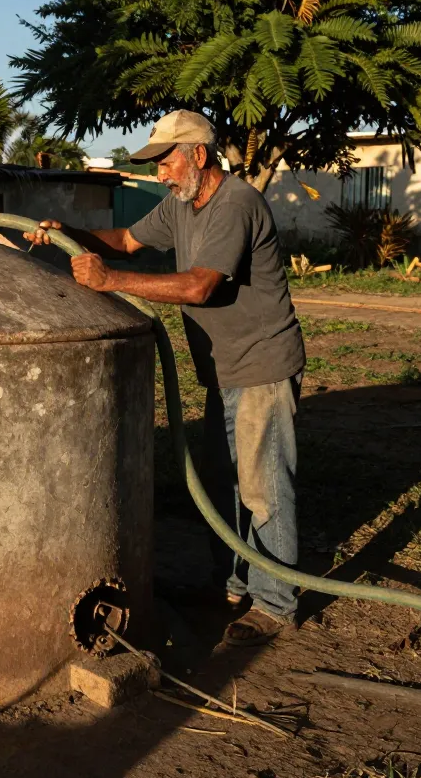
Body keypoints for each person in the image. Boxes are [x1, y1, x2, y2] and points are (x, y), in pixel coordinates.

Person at [24, 110, 307, 645]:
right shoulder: (182, 206)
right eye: (156, 165)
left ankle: (274, 605)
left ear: (198, 155)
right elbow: (126, 241)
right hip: (225, 369)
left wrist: (111, 282)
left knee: (263, 488)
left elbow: (201, 287)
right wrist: (72, 235)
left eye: (166, 162)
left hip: (262, 364)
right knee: (223, 485)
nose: (160, 174)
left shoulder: (236, 203)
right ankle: (232, 585)